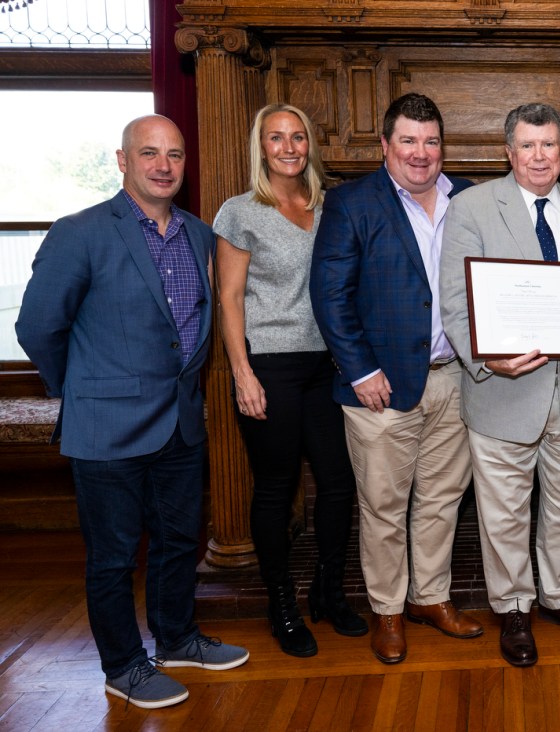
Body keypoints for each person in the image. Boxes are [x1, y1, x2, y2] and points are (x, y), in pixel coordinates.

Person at [15, 115, 248, 710]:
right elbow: (38, 326)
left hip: (179, 421)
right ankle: (124, 666)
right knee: (114, 556)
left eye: (174, 154)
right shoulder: (82, 232)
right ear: (123, 161)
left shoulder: (199, 235)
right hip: (105, 427)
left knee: (177, 542)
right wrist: (82, 386)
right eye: (149, 153)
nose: (164, 165)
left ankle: (176, 639)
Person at [439, 102, 560, 667]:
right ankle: (514, 609)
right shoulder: (469, 208)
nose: (539, 157)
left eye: (549, 145)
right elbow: (455, 303)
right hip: (502, 392)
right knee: (504, 515)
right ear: (508, 152)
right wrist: (489, 361)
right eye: (528, 146)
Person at [310, 93, 483, 665]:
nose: (420, 153)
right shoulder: (351, 202)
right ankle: (387, 609)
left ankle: (428, 598)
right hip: (379, 388)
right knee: (383, 506)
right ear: (385, 145)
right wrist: (360, 369)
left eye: (431, 141)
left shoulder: (469, 201)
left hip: (454, 379)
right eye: (408, 140)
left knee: (441, 500)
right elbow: (330, 294)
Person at [213, 103, 365, 659]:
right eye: (276, 138)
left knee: (338, 483)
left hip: (327, 366)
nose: (288, 147)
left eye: (297, 136)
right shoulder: (240, 211)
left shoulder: (332, 205)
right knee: (277, 488)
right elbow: (228, 298)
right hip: (269, 367)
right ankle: (282, 605)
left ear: (310, 144)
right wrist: (242, 373)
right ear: (261, 146)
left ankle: (329, 589)